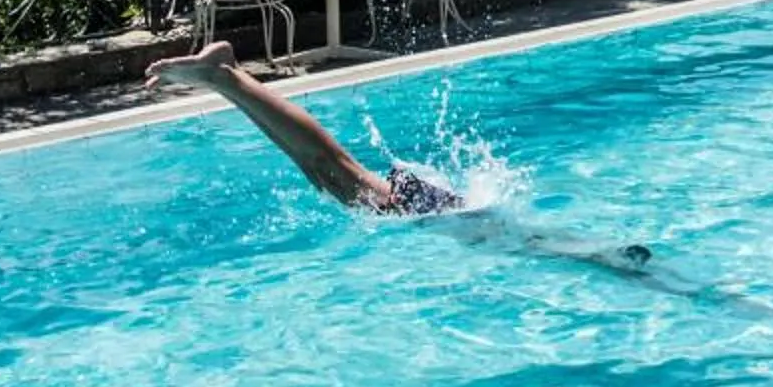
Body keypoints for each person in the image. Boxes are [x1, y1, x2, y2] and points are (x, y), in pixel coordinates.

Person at [143, 41, 672, 283]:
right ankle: (225, 78)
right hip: (444, 211)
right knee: (330, 170)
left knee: (326, 171)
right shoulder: (543, 246)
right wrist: (617, 260)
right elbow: (566, 248)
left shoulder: (540, 243)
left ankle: (228, 81)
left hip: (448, 208)